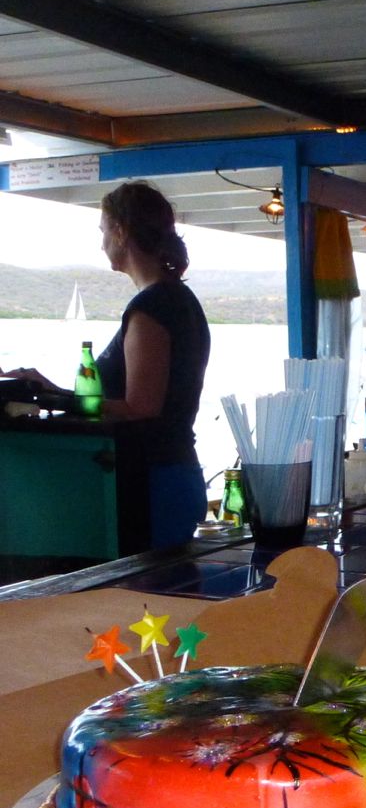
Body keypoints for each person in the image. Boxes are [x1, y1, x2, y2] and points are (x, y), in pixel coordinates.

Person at [96, 180, 211, 549]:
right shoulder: (180, 299)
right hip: (175, 473)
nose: (101, 243)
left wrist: (64, 401)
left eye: (103, 231)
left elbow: (141, 407)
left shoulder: (152, 307)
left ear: (120, 231)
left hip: (154, 481)